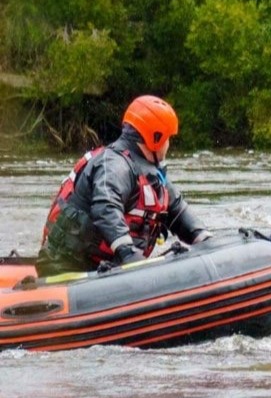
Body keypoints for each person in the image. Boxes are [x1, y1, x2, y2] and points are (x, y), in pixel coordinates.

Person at [37, 95, 212, 276]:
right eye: (168, 138)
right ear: (156, 138)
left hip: (106, 270)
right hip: (66, 269)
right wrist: (128, 253)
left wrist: (204, 239)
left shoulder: (154, 175)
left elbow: (178, 212)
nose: (168, 145)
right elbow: (106, 207)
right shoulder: (115, 165)